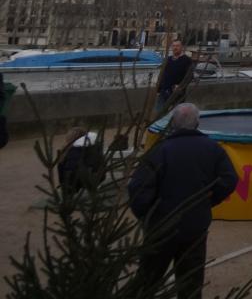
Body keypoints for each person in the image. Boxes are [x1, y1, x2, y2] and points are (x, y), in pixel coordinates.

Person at [129, 103, 238, 299]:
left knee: (148, 280)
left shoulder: (159, 151)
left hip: (161, 227)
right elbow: (229, 180)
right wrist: (209, 200)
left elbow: (138, 189)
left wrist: (147, 217)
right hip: (195, 226)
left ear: (173, 124)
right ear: (197, 123)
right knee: (191, 283)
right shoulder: (212, 149)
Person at [56, 126, 104, 193]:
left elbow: (70, 169)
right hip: (99, 176)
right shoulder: (95, 146)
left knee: (62, 164)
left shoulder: (74, 150)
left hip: (79, 181)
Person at [156, 39, 193, 115]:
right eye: (173, 46)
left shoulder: (187, 60)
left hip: (177, 93)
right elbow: (162, 75)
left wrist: (180, 86)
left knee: (177, 114)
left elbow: (190, 76)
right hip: (164, 91)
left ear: (181, 47)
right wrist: (158, 90)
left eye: (177, 46)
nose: (175, 48)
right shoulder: (168, 60)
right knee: (159, 113)